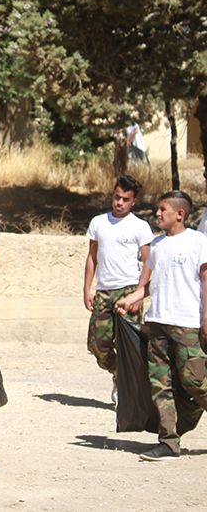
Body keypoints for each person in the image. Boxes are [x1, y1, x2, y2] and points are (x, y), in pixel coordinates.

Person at [116, 191, 207, 461]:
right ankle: (168, 442)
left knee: (195, 382)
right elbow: (151, 284)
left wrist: (206, 318)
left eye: (163, 209)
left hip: (187, 325)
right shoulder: (156, 245)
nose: (157, 213)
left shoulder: (198, 241)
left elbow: (205, 282)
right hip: (157, 323)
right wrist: (131, 299)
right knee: (160, 384)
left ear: (180, 214)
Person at [83, 175, 153, 401]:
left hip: (129, 290)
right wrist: (87, 289)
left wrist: (139, 295)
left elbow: (148, 262)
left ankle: (130, 392)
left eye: (125, 199)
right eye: (117, 197)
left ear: (133, 201)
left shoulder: (140, 226)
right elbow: (92, 257)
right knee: (96, 344)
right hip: (104, 291)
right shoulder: (99, 223)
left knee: (128, 344)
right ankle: (119, 374)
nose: (119, 202)